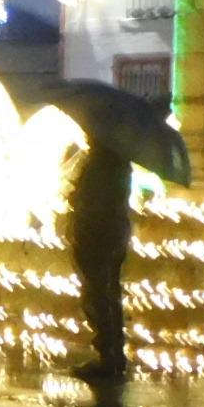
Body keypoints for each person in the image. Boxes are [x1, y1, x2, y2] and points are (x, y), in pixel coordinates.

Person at [65, 142, 132, 379]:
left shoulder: (101, 162)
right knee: (109, 293)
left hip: (97, 234)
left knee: (98, 295)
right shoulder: (120, 161)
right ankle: (115, 355)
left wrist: (76, 197)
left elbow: (92, 201)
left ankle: (107, 356)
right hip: (114, 233)